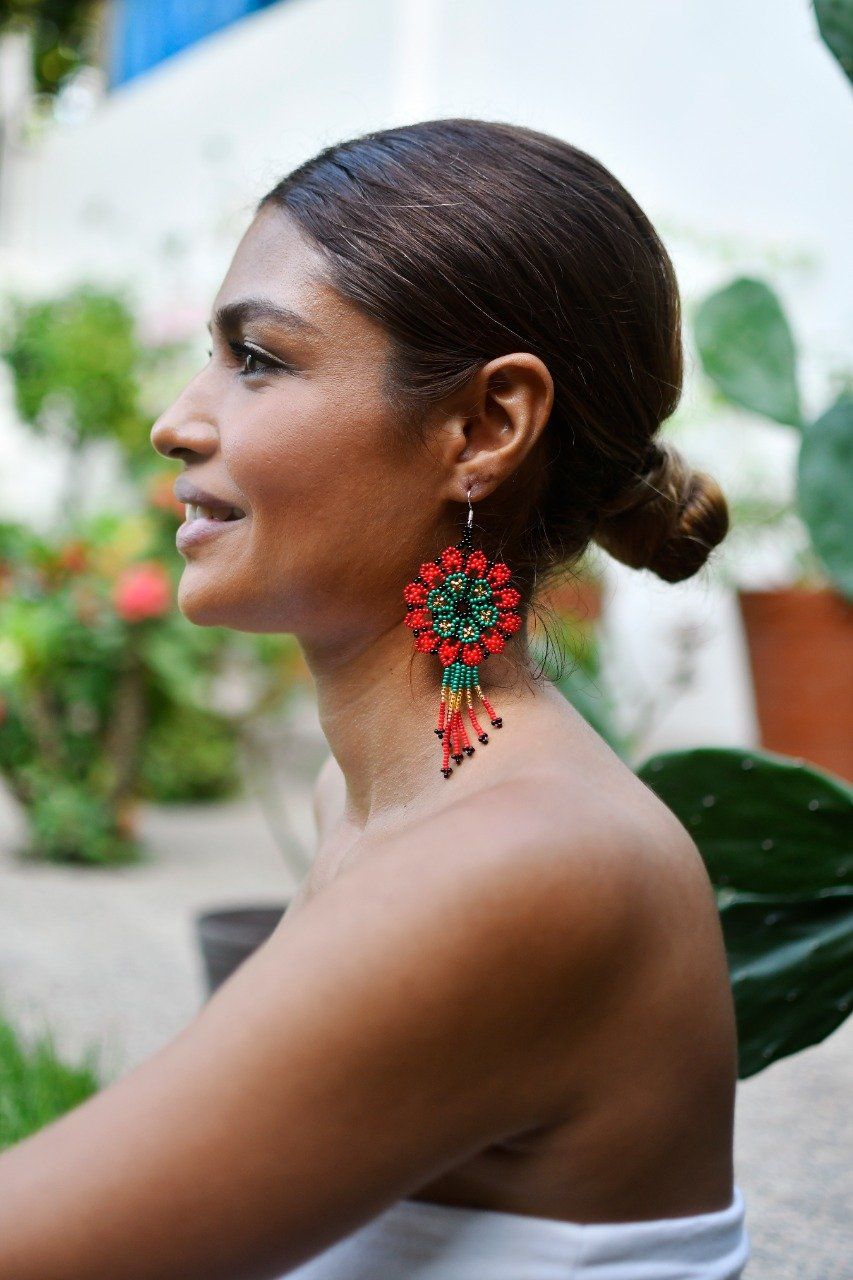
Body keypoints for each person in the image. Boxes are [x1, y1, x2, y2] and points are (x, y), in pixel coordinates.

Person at [0, 118, 749, 1279]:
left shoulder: (518, 860)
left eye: (258, 358)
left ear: (484, 427)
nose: (177, 419)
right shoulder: (376, 802)